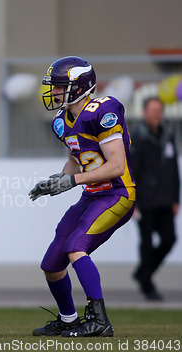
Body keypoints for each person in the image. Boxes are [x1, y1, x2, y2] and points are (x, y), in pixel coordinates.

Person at [28, 56, 136, 337]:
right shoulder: (62, 122)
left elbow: (115, 166)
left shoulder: (103, 110)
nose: (53, 92)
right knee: (51, 264)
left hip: (117, 193)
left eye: (59, 86)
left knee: (77, 246)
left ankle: (100, 320)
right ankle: (68, 318)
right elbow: (76, 161)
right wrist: (58, 180)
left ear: (79, 87)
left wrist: (72, 181)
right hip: (92, 195)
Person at [130, 96, 179, 301]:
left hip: (166, 200)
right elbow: (131, 172)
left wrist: (176, 198)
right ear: (144, 113)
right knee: (147, 243)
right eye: (152, 110)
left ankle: (142, 272)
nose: (156, 114)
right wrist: (132, 203)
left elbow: (173, 169)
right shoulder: (137, 139)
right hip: (145, 201)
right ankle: (147, 284)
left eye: (159, 110)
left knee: (169, 239)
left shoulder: (168, 136)